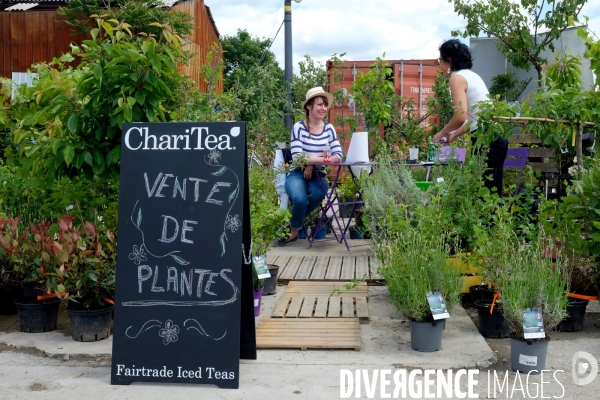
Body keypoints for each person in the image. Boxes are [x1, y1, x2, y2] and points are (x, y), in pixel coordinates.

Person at [432, 39, 508, 196]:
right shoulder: (472, 76)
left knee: (485, 199)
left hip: (485, 143)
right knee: (492, 198)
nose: (439, 66)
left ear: (450, 60)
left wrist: (441, 133)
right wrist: (454, 134)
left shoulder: (456, 78)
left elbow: (460, 116)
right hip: (494, 139)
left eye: (440, 60)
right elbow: (476, 118)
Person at [279, 87, 343, 245]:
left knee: (318, 193)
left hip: (318, 175)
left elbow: (338, 156)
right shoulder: (299, 128)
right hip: (297, 173)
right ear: (309, 106)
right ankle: (294, 232)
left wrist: (312, 163)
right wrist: (321, 158)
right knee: (300, 199)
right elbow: (297, 158)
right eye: (320, 105)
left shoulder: (329, 129)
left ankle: (293, 223)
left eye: (325, 105)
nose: (323, 108)